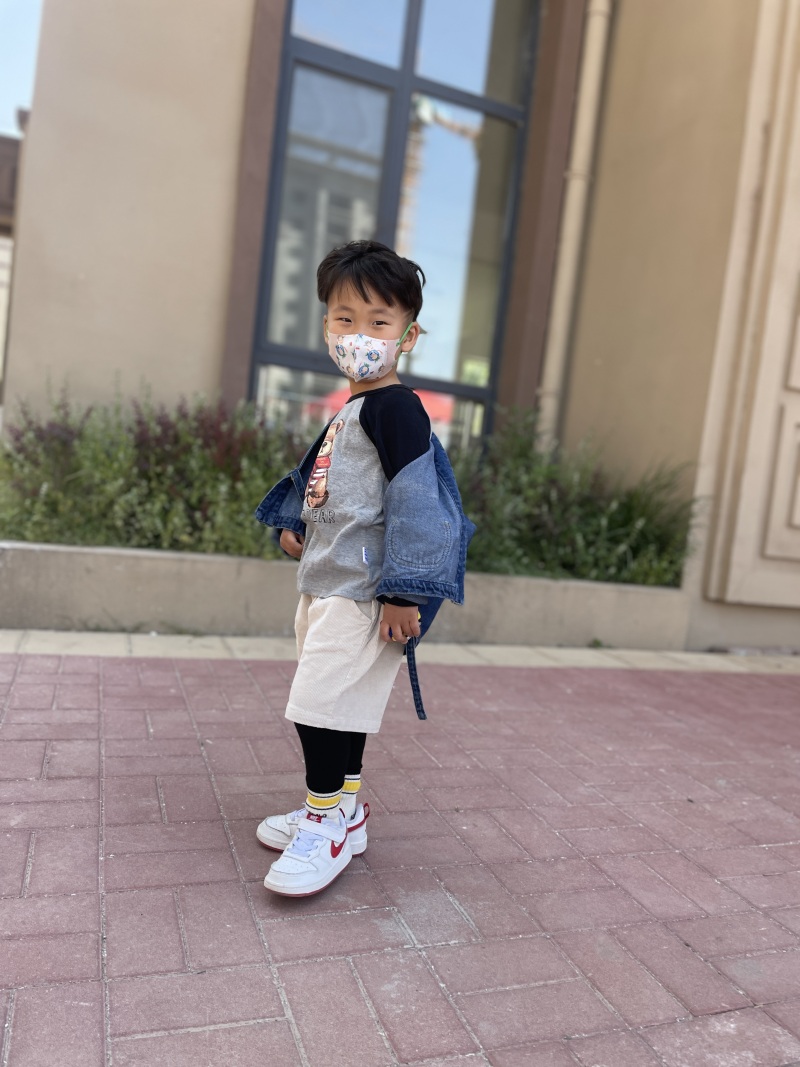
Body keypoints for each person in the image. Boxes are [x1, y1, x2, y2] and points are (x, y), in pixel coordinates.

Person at [254, 239, 473, 897]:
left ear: (408, 336)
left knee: (317, 706)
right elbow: (335, 487)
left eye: (379, 322)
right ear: (326, 325)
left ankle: (324, 824)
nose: (359, 336)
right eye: (345, 318)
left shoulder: (396, 407)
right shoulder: (353, 408)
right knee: (337, 705)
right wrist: (298, 525)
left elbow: (418, 502)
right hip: (327, 583)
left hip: (364, 591)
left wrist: (404, 592)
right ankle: (343, 811)